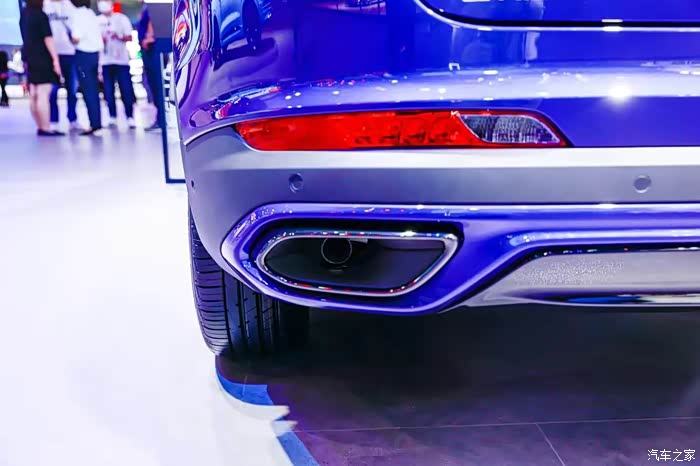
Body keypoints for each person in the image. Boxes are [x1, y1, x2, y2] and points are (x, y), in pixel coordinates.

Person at [20, 0, 64, 136]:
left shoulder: (24, 15)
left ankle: (40, 126)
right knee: (43, 94)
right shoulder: (40, 15)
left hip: (29, 57)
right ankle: (46, 127)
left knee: (34, 94)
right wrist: (55, 60)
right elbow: (48, 39)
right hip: (42, 57)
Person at [97, 0, 136, 128]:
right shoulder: (97, 20)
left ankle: (130, 116)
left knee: (126, 89)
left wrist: (118, 36)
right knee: (108, 90)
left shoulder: (122, 18)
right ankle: (112, 116)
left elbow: (130, 37)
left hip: (121, 60)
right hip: (105, 61)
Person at [44, 0, 80, 131]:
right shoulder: (44, 5)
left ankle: (73, 118)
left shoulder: (70, 6)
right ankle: (53, 120)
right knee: (52, 91)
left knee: (72, 89)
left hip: (70, 52)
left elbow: (77, 27)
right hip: (51, 53)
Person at [70, 0, 104, 136]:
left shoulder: (78, 14)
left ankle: (94, 124)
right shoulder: (90, 13)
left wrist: (69, 37)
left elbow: (76, 37)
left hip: (83, 56)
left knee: (88, 90)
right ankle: (96, 122)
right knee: (93, 90)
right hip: (94, 55)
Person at [138, 2, 164, 131]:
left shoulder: (151, 5)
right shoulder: (145, 7)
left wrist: (149, 37)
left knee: (157, 85)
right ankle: (160, 118)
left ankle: (161, 119)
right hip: (149, 49)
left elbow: (153, 20)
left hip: (152, 48)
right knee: (154, 85)